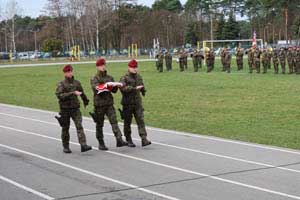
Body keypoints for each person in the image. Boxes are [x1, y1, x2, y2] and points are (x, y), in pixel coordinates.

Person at [90, 58, 127, 150]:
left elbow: (114, 91)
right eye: (101, 65)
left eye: (104, 65)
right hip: (99, 104)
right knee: (99, 124)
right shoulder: (95, 78)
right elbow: (97, 89)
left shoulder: (109, 77)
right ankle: (101, 142)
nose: (103, 67)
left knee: (114, 121)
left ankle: (119, 139)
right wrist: (106, 86)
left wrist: (115, 86)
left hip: (109, 103)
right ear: (97, 67)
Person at [55, 64, 92, 153]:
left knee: (79, 126)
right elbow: (59, 95)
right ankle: (66, 146)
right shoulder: (61, 84)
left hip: (75, 108)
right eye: (68, 72)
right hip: (65, 109)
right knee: (65, 128)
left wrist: (85, 100)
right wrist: (72, 93)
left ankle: (83, 145)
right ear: (65, 73)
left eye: (71, 71)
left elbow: (81, 92)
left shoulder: (77, 83)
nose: (70, 73)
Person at [120, 59, 151, 147]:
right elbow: (123, 89)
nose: (134, 69)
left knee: (140, 120)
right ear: (129, 67)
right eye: (133, 67)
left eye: (135, 67)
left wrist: (143, 90)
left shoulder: (138, 76)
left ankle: (144, 138)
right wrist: (134, 88)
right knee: (127, 122)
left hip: (137, 102)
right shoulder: (124, 78)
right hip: (127, 103)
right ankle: (128, 139)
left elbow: (141, 85)